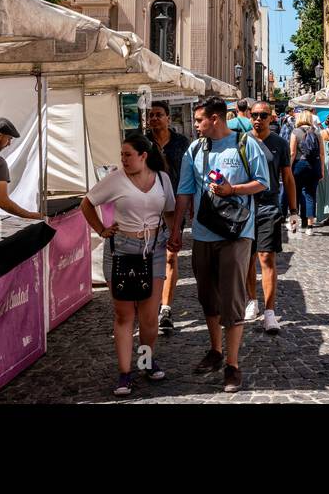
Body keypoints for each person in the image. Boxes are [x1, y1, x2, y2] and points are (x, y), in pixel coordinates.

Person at [168, 96, 269, 393]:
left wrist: (232, 189)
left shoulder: (245, 144)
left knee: (233, 300)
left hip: (236, 233)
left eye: (199, 120)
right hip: (202, 233)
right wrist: (176, 231)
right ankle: (215, 350)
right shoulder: (194, 149)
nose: (196, 125)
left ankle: (233, 365)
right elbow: (184, 193)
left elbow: (262, 182)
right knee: (207, 297)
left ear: (215, 119)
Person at [81, 133, 176, 396]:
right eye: (122, 155)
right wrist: (101, 230)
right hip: (122, 250)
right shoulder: (115, 179)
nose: (123, 160)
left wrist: (174, 236)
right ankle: (124, 374)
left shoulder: (162, 179)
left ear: (143, 156)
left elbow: (169, 209)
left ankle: (146, 362)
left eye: (128, 155)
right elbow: (87, 203)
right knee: (124, 315)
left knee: (148, 316)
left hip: (154, 250)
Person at [243, 101, 299, 333]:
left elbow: (287, 177)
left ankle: (269, 312)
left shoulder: (279, 144)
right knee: (247, 258)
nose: (258, 119)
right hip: (244, 207)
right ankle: (251, 301)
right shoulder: (242, 141)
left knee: (266, 258)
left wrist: (294, 211)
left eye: (263, 115)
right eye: (254, 115)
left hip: (268, 207)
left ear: (271, 118)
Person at [146, 101, 191, 334]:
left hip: (174, 207)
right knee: (150, 257)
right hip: (146, 206)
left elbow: (189, 174)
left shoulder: (182, 143)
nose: (154, 119)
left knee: (171, 257)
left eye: (158, 115)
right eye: (151, 115)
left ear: (168, 119)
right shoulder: (142, 141)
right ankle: (150, 304)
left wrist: (190, 204)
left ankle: (166, 308)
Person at [289, 111, 323, 235]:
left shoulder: (295, 132)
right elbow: (321, 154)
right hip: (314, 166)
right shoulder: (317, 132)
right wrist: (322, 170)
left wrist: (287, 168)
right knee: (310, 195)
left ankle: (294, 224)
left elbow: (292, 153)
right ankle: (310, 226)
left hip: (299, 165)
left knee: (295, 195)